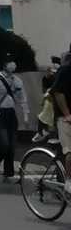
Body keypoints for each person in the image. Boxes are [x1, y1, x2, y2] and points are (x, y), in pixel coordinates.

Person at [0, 58, 30, 181]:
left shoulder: (17, 80)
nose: (12, 65)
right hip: (0, 113)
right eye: (9, 63)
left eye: (13, 62)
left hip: (11, 113)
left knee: (12, 145)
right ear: (4, 65)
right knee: (4, 143)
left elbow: (23, 98)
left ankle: (8, 173)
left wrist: (26, 115)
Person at [49, 49, 71, 194]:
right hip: (65, 118)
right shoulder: (65, 70)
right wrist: (67, 114)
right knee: (69, 152)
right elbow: (57, 92)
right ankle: (68, 182)